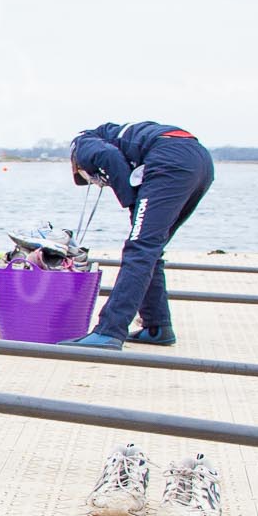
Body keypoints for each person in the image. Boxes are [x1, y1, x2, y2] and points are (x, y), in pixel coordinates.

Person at [64, 121, 216, 349]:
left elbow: (109, 158)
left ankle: (109, 331)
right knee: (150, 249)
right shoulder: (123, 138)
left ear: (76, 164)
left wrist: (133, 204)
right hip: (199, 161)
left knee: (140, 248)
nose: (96, 182)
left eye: (90, 178)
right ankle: (157, 326)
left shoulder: (83, 144)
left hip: (170, 160)